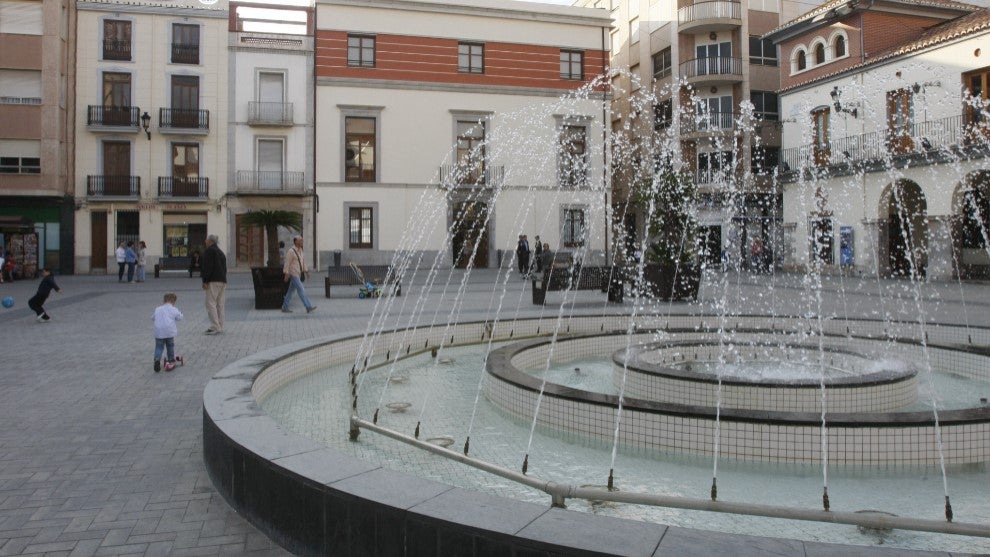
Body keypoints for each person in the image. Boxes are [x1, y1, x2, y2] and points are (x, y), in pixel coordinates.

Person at [282, 235, 316, 314]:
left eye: (302, 240)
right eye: (300, 240)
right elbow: (287, 263)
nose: (302, 241)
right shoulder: (291, 251)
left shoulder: (300, 250)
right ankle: (308, 306)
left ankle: (284, 306)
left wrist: (306, 271)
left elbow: (302, 262)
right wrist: (286, 273)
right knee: (301, 290)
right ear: (296, 241)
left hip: (298, 273)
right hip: (293, 274)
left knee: (290, 291)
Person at [151, 292, 184, 372]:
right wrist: (181, 314)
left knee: (159, 347)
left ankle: (157, 359)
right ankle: (170, 360)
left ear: (164, 300)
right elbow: (179, 318)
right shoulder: (173, 309)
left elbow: (152, 318)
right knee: (170, 346)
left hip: (159, 332)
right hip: (169, 331)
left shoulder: (158, 308)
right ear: (174, 302)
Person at [201, 234, 227, 335]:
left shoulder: (209, 251)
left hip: (213, 280)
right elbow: (224, 268)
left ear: (210, 241)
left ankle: (215, 326)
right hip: (222, 280)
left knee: (210, 303)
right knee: (220, 304)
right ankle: (220, 325)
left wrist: (205, 281)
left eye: (206, 239)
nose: (205, 241)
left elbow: (208, 267)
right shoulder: (220, 252)